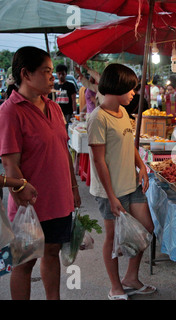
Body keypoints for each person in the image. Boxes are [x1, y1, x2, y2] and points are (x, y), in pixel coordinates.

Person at [0, 46, 81, 300]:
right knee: (24, 263)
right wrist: (20, 190)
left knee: (52, 251)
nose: (51, 77)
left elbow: (63, 149)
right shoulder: (10, 111)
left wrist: (74, 187)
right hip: (30, 203)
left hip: (59, 200)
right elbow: (10, 163)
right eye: (45, 71)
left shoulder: (54, 107)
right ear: (26, 74)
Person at [87, 63, 155, 300]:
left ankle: (131, 278)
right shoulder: (98, 118)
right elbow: (98, 161)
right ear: (117, 88)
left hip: (131, 183)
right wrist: (111, 196)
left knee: (146, 228)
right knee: (113, 238)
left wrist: (141, 166)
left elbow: (129, 144)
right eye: (130, 89)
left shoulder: (124, 112)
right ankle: (115, 286)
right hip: (110, 191)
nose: (134, 93)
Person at [53, 64, 77, 129]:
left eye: (63, 74)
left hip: (68, 113)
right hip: (57, 113)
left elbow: (73, 100)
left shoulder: (70, 85)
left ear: (66, 74)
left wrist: (74, 112)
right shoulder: (54, 86)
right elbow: (52, 100)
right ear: (57, 74)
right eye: (59, 74)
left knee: (66, 129)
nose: (61, 76)